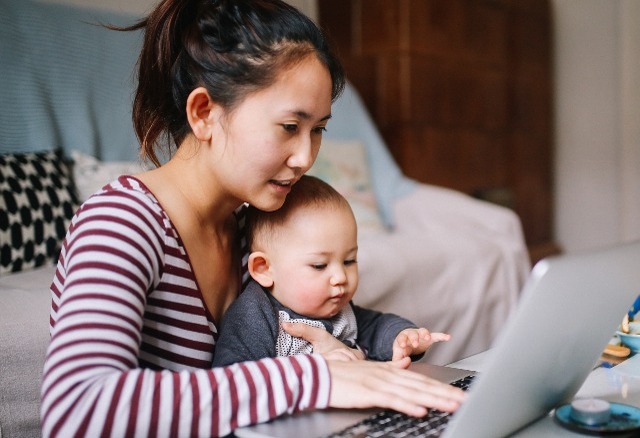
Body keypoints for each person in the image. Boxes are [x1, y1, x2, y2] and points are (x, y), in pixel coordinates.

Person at [39, 1, 464, 436]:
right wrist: (313, 380)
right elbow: (77, 409)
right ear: (204, 113)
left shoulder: (256, 229)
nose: (305, 158)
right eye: (288, 126)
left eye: (317, 129)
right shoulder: (122, 223)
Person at [213, 175, 450, 367]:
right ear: (264, 269)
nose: (340, 278)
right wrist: (313, 369)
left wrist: (403, 337)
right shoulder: (255, 315)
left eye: (349, 261)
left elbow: (376, 327)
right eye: (319, 265)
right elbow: (235, 379)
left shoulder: (339, 309)